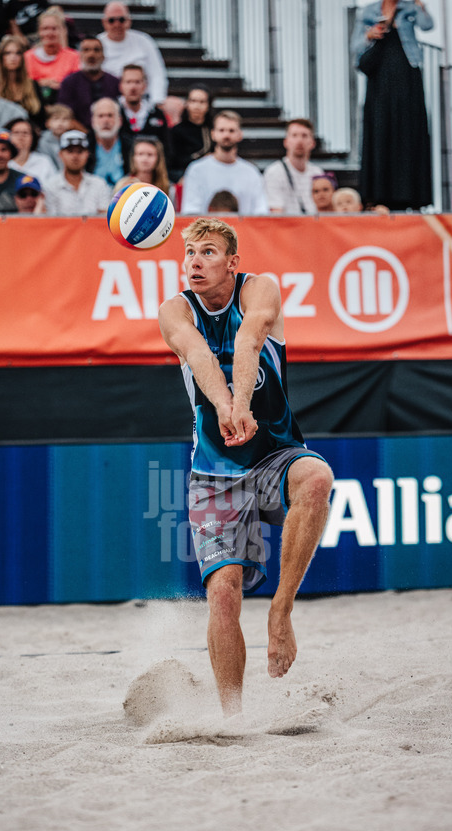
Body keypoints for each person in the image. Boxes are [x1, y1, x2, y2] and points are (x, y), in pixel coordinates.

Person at [158, 217, 333, 717]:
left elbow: (251, 339)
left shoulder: (260, 290)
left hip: (274, 453)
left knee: (317, 478)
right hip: (214, 471)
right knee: (224, 596)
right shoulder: (175, 309)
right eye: (189, 251)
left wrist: (243, 405)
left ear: (233, 262)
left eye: (208, 252)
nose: (194, 260)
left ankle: (281, 611)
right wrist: (228, 407)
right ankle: (233, 716)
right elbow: (196, 354)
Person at [351, 0, 433, 211]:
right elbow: (355, 46)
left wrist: (420, 5)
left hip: (406, 78)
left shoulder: (409, 7)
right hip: (380, 80)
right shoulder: (368, 11)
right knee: (381, 130)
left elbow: (427, 25)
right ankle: (378, 193)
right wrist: (370, 34)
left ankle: (412, 192)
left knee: (408, 132)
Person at [180, 110, 269, 216]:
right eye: (221, 130)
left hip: (245, 230)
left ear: (240, 134)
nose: (226, 135)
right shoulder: (196, 170)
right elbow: (191, 212)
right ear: (213, 134)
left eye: (231, 131)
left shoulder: (251, 172)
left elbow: (260, 212)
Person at [98, 1, 166, 107]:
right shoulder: (97, 44)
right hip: (108, 101)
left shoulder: (144, 41)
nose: (117, 24)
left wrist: (157, 101)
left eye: (121, 20)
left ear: (129, 21)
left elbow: (157, 74)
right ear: (104, 22)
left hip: (142, 100)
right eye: (111, 20)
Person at [57, 35, 119, 131]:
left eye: (96, 50)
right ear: (80, 55)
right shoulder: (69, 82)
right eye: (86, 50)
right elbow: (65, 114)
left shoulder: (115, 82)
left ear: (103, 56)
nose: (91, 55)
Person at [44, 127, 110, 214]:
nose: (75, 156)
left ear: (87, 154)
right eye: (70, 151)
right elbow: (50, 222)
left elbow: (104, 217)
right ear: (60, 154)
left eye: (80, 151)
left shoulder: (99, 184)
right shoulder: (50, 186)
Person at [263, 118, 322, 214]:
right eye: (294, 135)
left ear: (313, 143)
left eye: (304, 136)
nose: (299, 140)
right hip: (287, 226)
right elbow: (276, 213)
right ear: (286, 142)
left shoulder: (317, 172)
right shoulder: (274, 172)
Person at [23, 6, 79, 105]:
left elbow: (77, 86)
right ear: (39, 31)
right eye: (45, 28)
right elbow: (23, 85)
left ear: (62, 30)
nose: (49, 33)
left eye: (54, 28)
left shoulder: (74, 57)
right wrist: (45, 83)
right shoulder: (27, 57)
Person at [118, 63, 169, 162]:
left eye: (137, 82)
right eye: (128, 82)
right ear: (121, 86)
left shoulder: (157, 114)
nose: (133, 87)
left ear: (145, 86)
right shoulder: (112, 113)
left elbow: (167, 148)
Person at [0, 34, 44, 129]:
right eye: (8, 53)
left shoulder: (33, 85)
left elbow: (42, 119)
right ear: (2, 57)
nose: (13, 57)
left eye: (18, 53)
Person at [170, 83, 213, 183]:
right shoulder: (176, 131)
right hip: (184, 178)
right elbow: (171, 163)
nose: (197, 106)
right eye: (193, 101)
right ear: (187, 103)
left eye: (202, 102)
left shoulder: (214, 129)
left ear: (208, 105)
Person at [5, 115, 54, 186]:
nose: (21, 137)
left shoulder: (44, 161)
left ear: (33, 137)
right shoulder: (2, 162)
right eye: (16, 133)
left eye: (25, 133)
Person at [89, 95, 125, 188]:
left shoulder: (130, 146)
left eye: (110, 115)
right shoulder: (85, 146)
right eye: (101, 116)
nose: (106, 120)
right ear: (93, 121)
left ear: (120, 120)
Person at [36, 100, 72, 169]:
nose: (60, 123)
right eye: (56, 119)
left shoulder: (73, 138)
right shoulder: (42, 140)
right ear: (47, 123)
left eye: (65, 119)